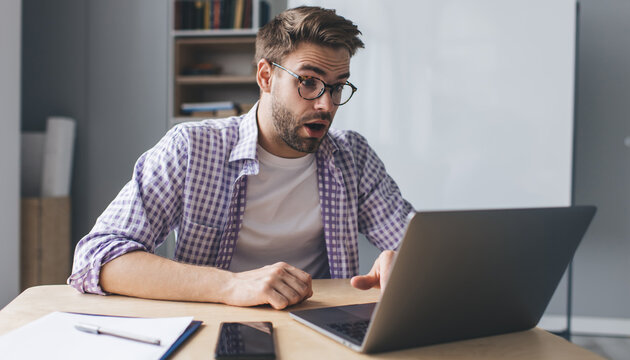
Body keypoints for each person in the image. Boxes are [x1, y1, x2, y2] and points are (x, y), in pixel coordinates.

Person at [68, 6, 414, 310]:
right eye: (309, 82)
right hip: (213, 326)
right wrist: (230, 285)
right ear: (266, 76)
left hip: (323, 329)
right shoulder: (192, 148)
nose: (326, 105)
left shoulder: (352, 156)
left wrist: (407, 261)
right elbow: (97, 257)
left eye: (338, 87)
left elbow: (423, 247)